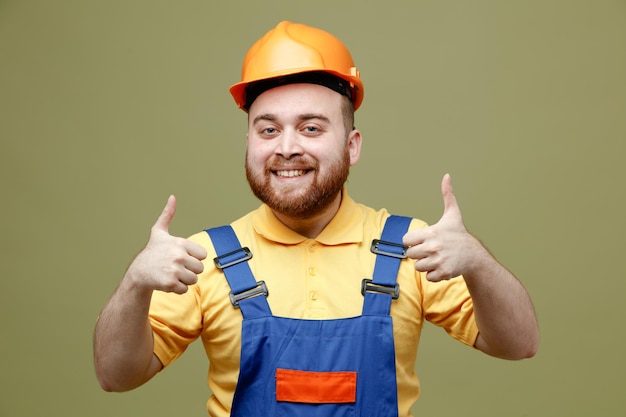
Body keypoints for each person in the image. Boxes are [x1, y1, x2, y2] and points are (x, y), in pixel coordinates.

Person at [94, 21, 538, 417]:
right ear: (248, 142)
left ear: (352, 146)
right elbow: (116, 376)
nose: (286, 147)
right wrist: (135, 283)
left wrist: (477, 261)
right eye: (269, 129)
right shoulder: (204, 257)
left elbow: (519, 345)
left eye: (311, 128)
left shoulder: (412, 248)